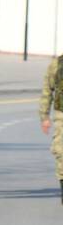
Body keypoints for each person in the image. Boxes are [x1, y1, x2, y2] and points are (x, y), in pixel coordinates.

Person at [39, 54, 63, 205]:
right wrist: (44, 116)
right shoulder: (58, 63)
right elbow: (47, 89)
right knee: (61, 150)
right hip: (62, 114)